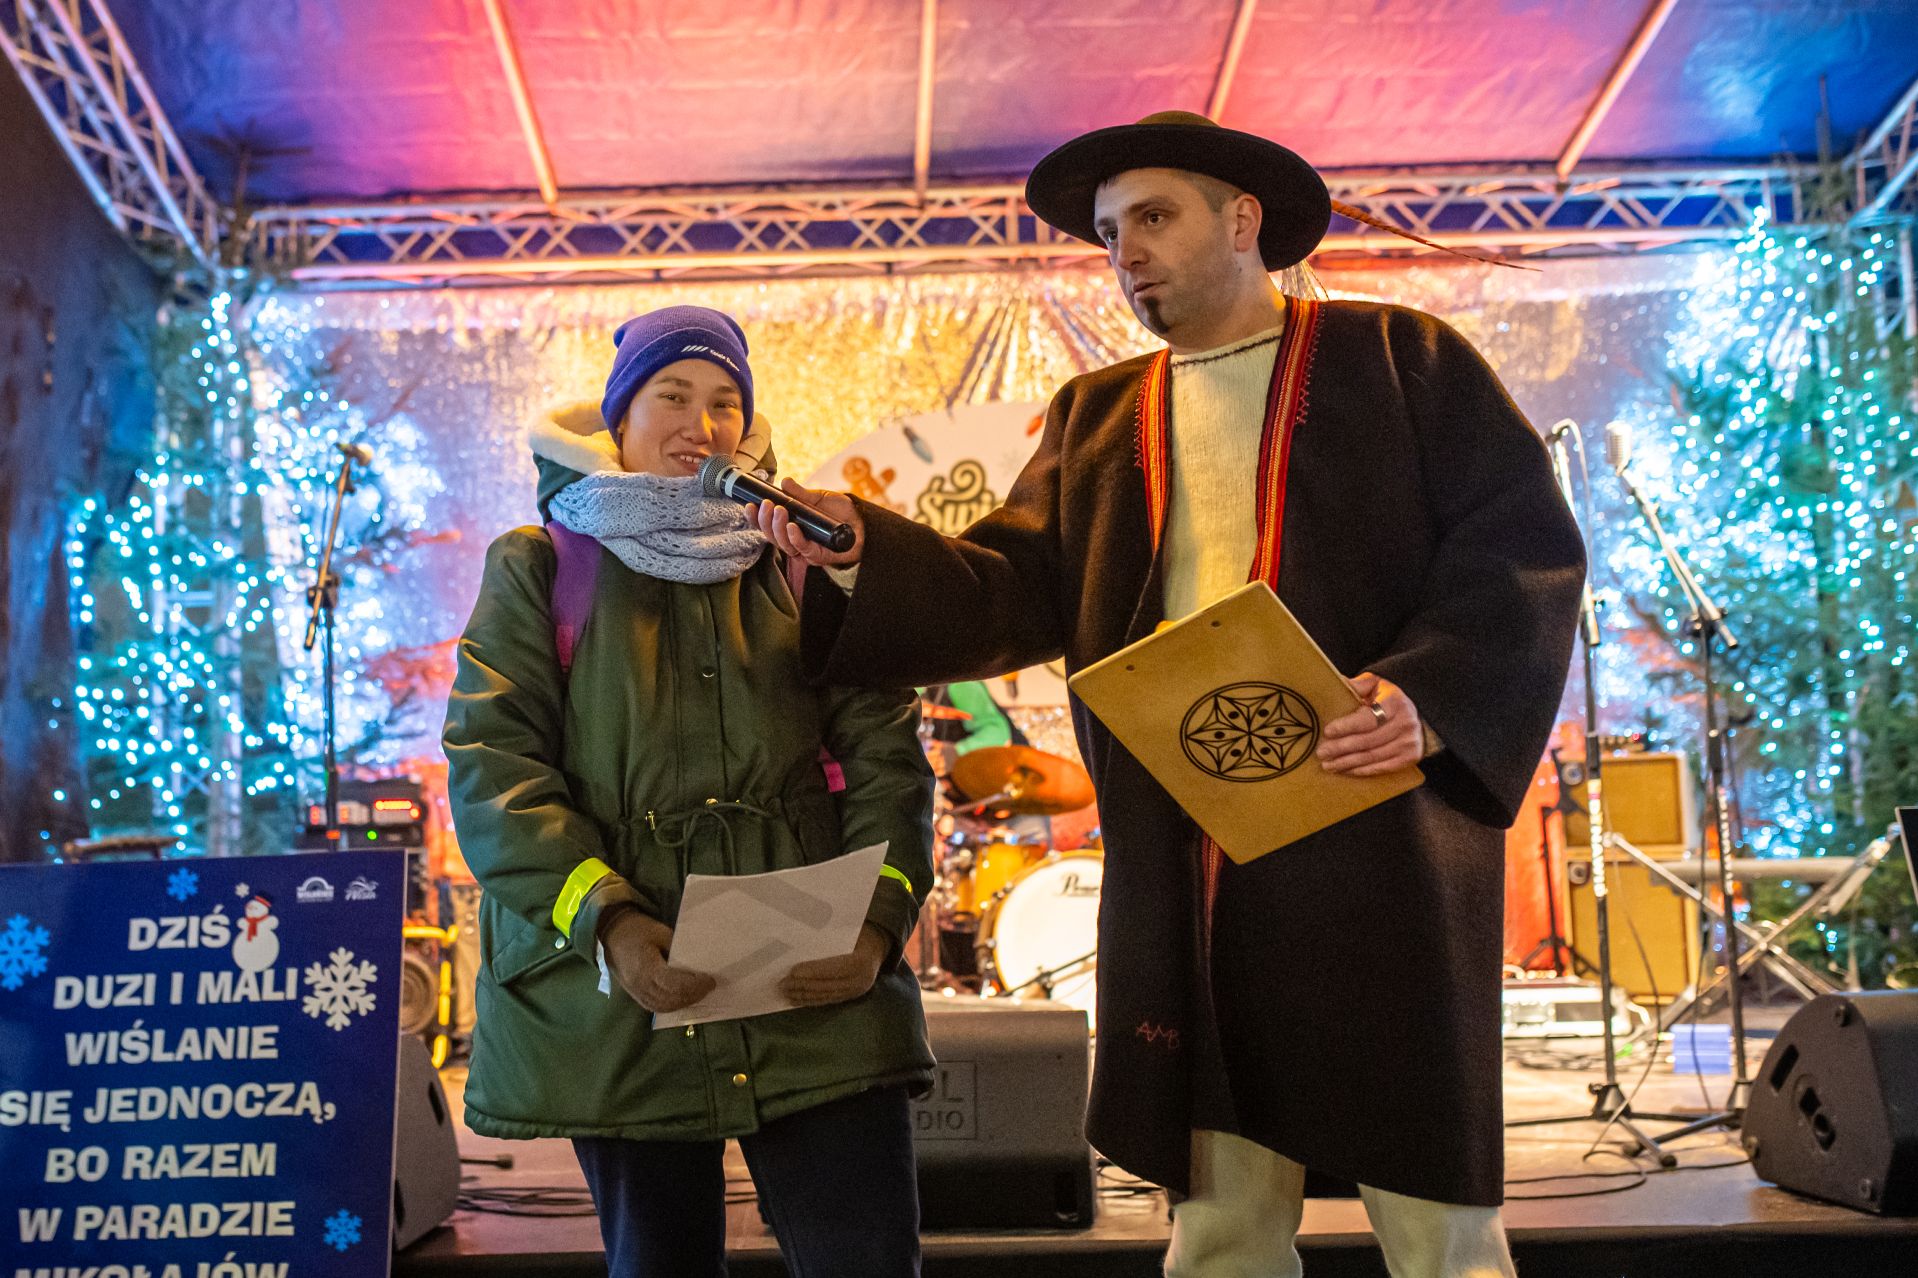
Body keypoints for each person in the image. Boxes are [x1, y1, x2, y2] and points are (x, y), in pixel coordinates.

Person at [755, 114, 1588, 1277]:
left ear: (1243, 221)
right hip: (1184, 845)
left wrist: (1426, 698)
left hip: (1372, 821)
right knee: (1218, 1219)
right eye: (1108, 233)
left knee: (1434, 1217)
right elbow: (1010, 588)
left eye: (1152, 217)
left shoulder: (1401, 357)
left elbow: (1517, 552)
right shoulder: (1098, 414)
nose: (1125, 252)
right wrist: (867, 552)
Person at [443, 305, 935, 1278]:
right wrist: (611, 922)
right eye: (671, 396)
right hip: (622, 1001)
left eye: (724, 404)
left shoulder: (803, 559)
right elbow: (495, 768)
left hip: (814, 980)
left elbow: (886, 757)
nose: (701, 426)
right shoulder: (540, 566)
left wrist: (878, 926)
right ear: (619, 419)